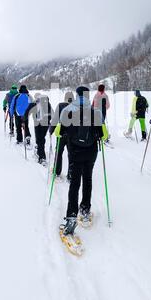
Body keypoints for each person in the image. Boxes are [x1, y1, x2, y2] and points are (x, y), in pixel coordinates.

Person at [54, 86, 108, 236]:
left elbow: (59, 132)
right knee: (88, 179)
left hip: (75, 152)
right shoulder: (95, 111)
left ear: (77, 95)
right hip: (91, 152)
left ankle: (71, 216)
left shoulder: (68, 110)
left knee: (75, 183)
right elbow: (104, 135)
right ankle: (84, 209)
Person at [49, 92, 75, 181]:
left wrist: (51, 130)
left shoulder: (60, 105)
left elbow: (55, 119)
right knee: (71, 154)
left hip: (61, 134)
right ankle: (71, 174)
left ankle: (57, 171)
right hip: (72, 135)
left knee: (59, 152)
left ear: (65, 98)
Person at [31, 94, 53, 166]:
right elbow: (52, 114)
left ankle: (42, 157)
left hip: (38, 123)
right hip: (46, 123)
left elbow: (28, 110)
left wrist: (24, 119)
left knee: (39, 139)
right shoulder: (48, 103)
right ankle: (40, 152)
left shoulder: (35, 103)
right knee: (42, 138)